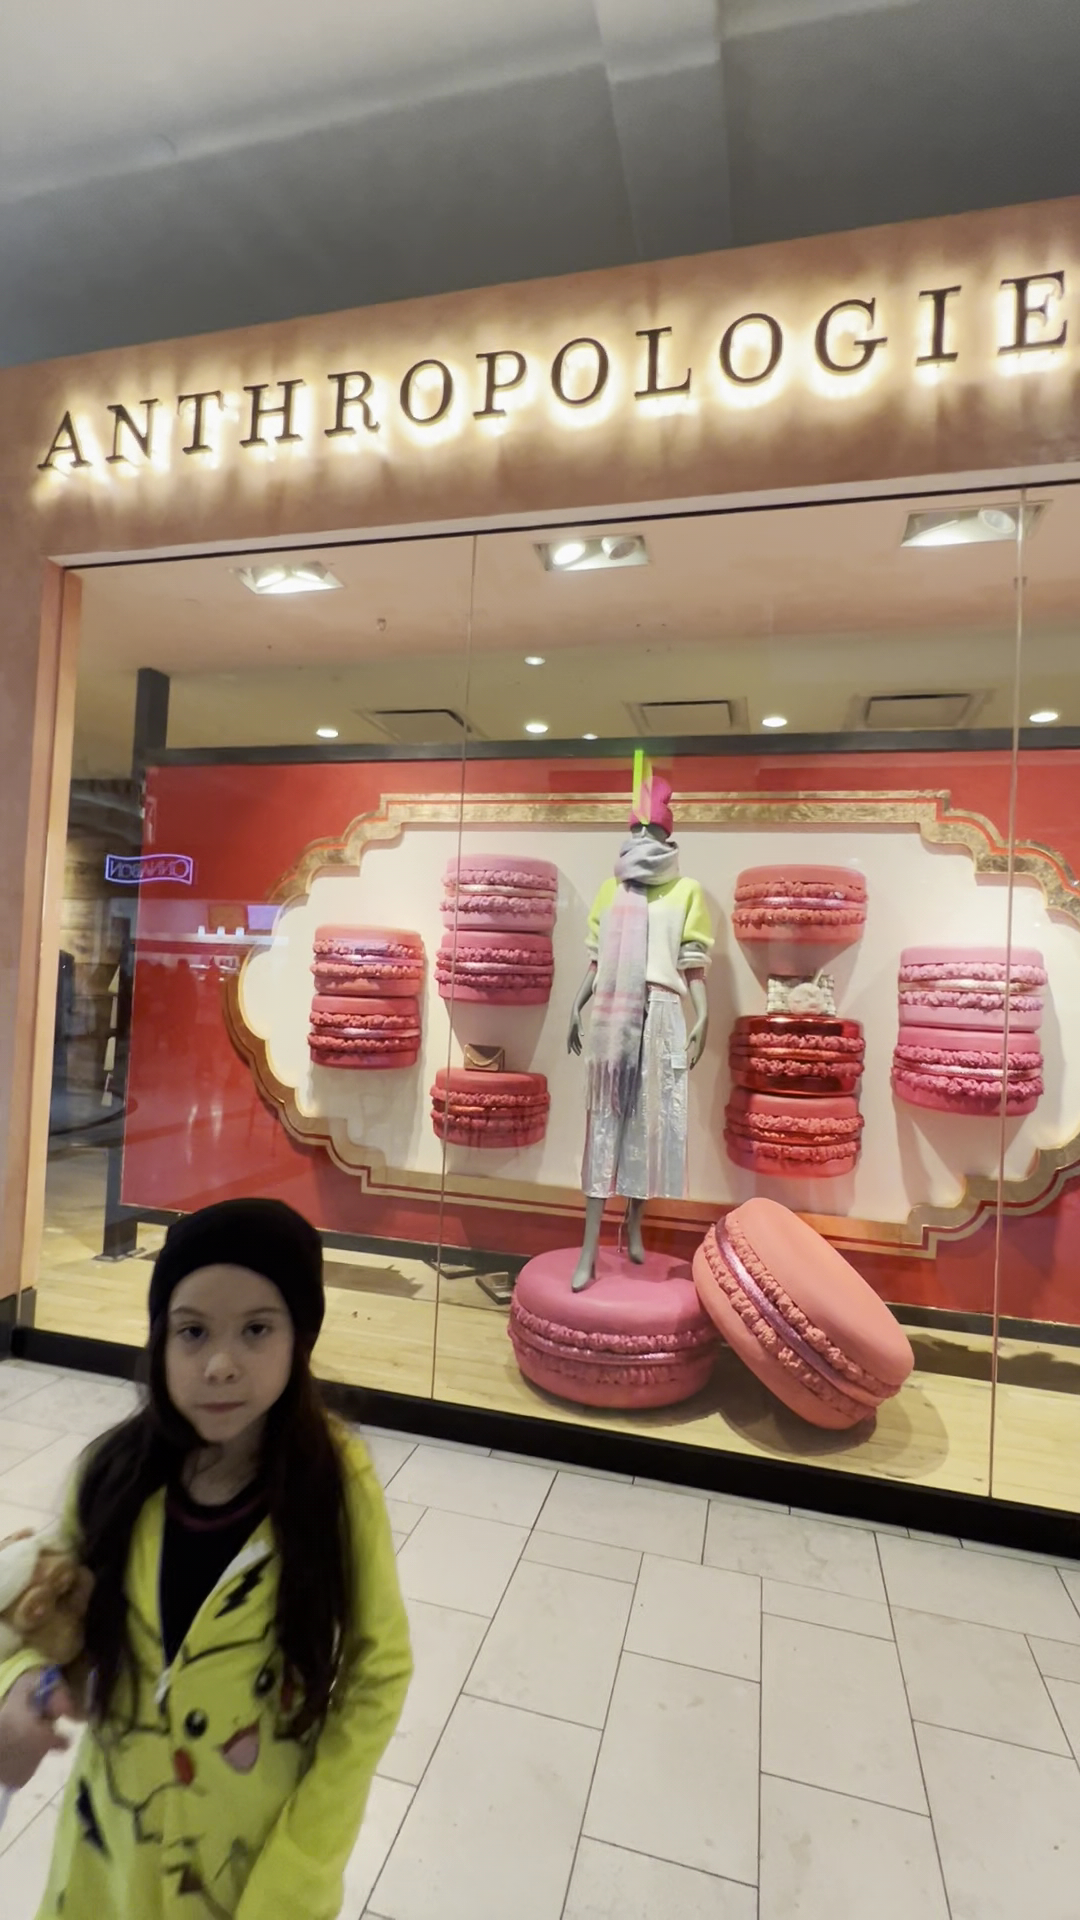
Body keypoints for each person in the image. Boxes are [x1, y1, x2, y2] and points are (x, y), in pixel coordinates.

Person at [0, 1197, 412, 1919]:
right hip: (108, 1858)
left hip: (251, 1866)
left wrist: (304, 1862)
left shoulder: (336, 1486)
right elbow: (36, 1608)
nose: (220, 1365)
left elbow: (377, 1672)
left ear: (300, 1338)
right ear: (160, 1340)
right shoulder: (112, 1475)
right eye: (192, 1332)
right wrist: (19, 1683)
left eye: (256, 1329)